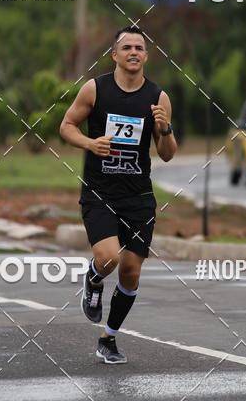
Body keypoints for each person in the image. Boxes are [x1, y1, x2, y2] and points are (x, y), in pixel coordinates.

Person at [59, 26, 177, 364]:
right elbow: (66, 126)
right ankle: (94, 278)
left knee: (131, 272)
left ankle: (108, 338)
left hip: (138, 196)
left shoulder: (158, 98)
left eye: (139, 47)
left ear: (146, 56)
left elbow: (167, 154)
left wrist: (165, 128)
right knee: (109, 258)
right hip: (100, 192)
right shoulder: (95, 89)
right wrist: (90, 143)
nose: (133, 52)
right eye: (127, 47)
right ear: (114, 54)